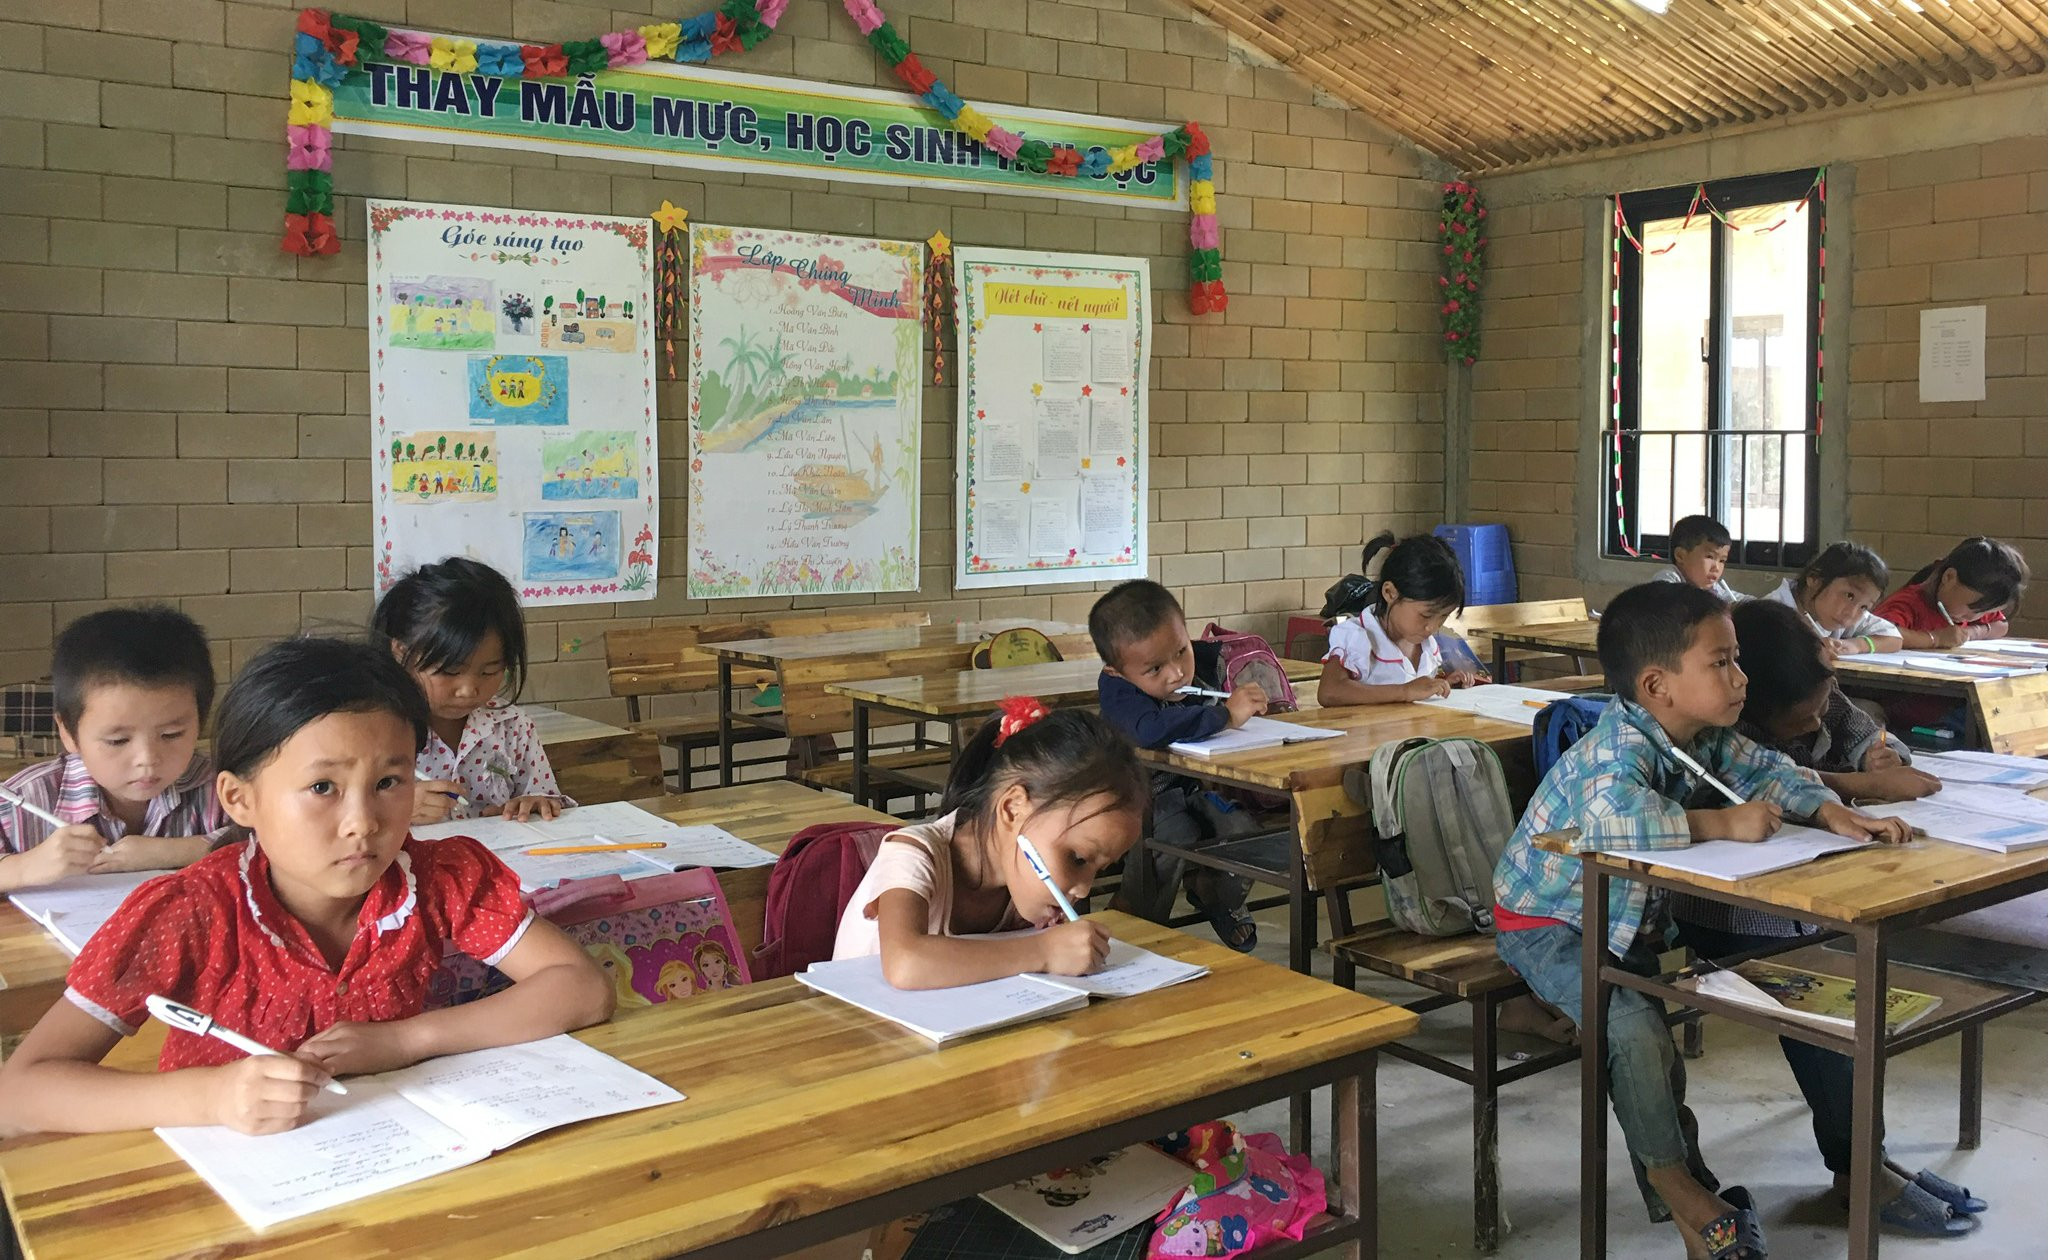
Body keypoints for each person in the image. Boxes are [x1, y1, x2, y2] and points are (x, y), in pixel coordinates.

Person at [0, 637, 613, 1137]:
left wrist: (406, 1039)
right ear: (240, 799)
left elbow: (581, 988)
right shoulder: (190, 913)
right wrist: (215, 1097)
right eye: (323, 788)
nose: (362, 822)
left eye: (390, 782)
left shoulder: (436, 878)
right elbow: (19, 1092)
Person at [1491, 582, 1909, 1259]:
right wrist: (1719, 822)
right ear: (1657, 685)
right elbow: (1610, 822)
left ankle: (1696, 1203)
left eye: (1736, 659)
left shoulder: (1703, 738)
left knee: (1681, 1029)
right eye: (1722, 662)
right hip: (1546, 922)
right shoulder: (1615, 750)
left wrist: (1830, 810)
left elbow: (1768, 769)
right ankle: (1680, 1188)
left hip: (1625, 919)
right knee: (1632, 1028)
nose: (1741, 678)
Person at [1669, 605, 1977, 1238]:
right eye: (1801, 717)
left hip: (1809, 887)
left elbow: (1853, 728)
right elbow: (1768, 786)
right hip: (1728, 904)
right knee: (1824, 1005)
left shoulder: (1811, 690)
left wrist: (1879, 757)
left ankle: (1866, 1158)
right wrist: (1856, 788)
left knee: (1851, 977)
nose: (1817, 719)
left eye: (1823, 700)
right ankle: (1858, 1169)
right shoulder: (1722, 727)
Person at [833, 699, 1148, 990]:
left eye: (1099, 869)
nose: (1084, 889)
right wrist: (1044, 950)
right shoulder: (913, 854)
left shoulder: (1023, 890)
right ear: (1012, 809)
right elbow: (905, 963)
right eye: (1077, 858)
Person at [0, 606, 238, 889]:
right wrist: (23, 868)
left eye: (171, 735)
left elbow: (266, 848)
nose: (147, 759)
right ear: (68, 732)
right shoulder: (24, 799)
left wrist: (177, 851)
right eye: (118, 741)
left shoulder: (220, 790)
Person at [1089, 579, 1267, 952]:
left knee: (1242, 830)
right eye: (1155, 669)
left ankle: (1216, 894)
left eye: (1181, 651)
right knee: (1176, 835)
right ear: (1116, 670)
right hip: (1141, 800)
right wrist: (1224, 716)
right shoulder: (1119, 693)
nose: (1176, 674)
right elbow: (1149, 729)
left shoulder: (1200, 670)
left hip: (1193, 790)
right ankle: (1136, 917)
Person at [372, 557, 572, 825]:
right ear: (400, 652)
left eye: (489, 672)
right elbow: (339, 816)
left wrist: (536, 804)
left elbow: (545, 800)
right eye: (449, 671)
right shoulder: (374, 730)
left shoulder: (512, 727)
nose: (469, 690)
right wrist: (396, 808)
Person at [1319, 532, 1484, 706]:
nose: (1432, 627)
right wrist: (1404, 691)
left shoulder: (1426, 646)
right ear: (1389, 593)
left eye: (1443, 617)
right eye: (1426, 615)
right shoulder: (1357, 636)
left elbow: (1416, 693)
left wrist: (1441, 686)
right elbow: (1329, 692)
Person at [1875, 537, 2028, 651]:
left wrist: (1972, 632)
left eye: (1984, 613)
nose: (1972, 618)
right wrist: (1936, 639)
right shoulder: (1907, 604)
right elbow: (1879, 633)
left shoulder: (1969, 610)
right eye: (1972, 609)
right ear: (1949, 577)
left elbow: (2001, 625)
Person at [1765, 542, 1903, 657]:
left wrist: (1857, 645)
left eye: (1864, 607)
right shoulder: (1770, 614)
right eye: (1849, 596)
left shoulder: (1839, 614)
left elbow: (1894, 637)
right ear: (1815, 579)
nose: (1851, 614)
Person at [1652, 515, 1744, 603]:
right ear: (1680, 556)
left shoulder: (1712, 588)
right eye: (1709, 557)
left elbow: (1736, 599)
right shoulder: (1668, 577)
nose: (1716, 568)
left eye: (1722, 561)